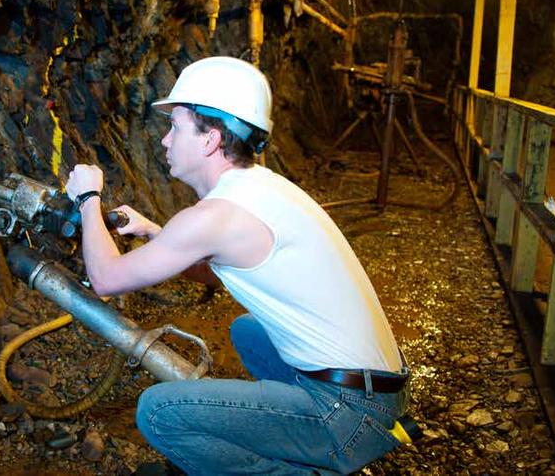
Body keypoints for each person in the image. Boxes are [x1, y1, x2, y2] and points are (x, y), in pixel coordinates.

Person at [64, 56, 410, 475]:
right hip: (380, 390)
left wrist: (88, 199)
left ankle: (306, 464)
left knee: (158, 411)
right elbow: (219, 268)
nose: (165, 141)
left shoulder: (215, 216)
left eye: (175, 126)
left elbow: (105, 279)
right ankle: (301, 438)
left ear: (210, 139)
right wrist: (156, 234)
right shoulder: (262, 189)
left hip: (352, 413)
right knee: (245, 330)